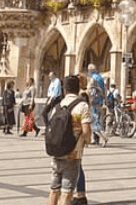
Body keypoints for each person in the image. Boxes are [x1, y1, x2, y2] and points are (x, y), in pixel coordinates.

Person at [45, 74, 91, 205]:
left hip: (56, 152)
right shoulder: (82, 106)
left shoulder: (57, 106)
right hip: (72, 154)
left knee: (54, 190)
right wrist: (86, 140)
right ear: (78, 88)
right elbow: (86, 130)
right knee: (66, 193)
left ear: (65, 89)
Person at [86, 65, 107, 145]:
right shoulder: (100, 77)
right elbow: (105, 89)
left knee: (94, 120)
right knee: (97, 119)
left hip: (94, 101)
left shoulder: (92, 78)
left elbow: (90, 90)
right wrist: (104, 100)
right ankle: (95, 139)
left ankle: (102, 137)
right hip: (100, 101)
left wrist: (88, 98)